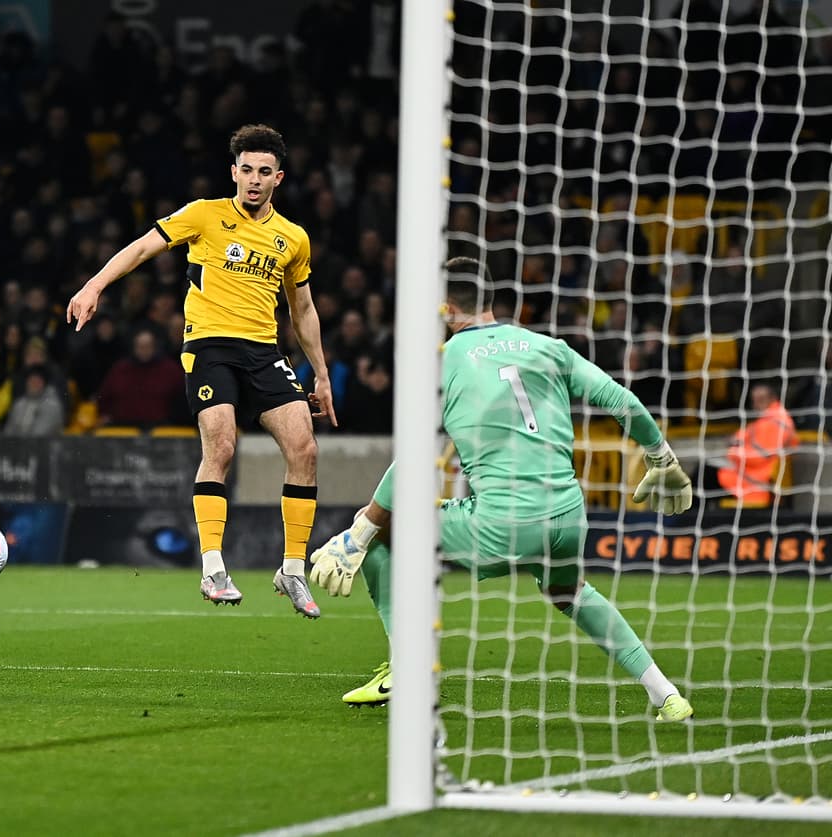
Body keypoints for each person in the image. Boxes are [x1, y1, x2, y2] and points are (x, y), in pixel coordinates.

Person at [308, 257, 695, 721]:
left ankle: (407, 668)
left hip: (502, 521)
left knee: (382, 538)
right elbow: (619, 399)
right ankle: (665, 693)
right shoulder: (547, 345)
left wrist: (361, 528)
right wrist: (659, 455)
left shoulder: (443, 360)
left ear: (444, 307)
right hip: (569, 515)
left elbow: (414, 457)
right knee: (570, 592)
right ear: (490, 300)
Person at [67, 124, 336, 616]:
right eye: (246, 170)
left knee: (305, 449)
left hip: (263, 350)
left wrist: (320, 374)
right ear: (234, 172)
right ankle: (213, 566)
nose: (254, 180)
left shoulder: (293, 238)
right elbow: (143, 247)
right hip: (209, 345)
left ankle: (292, 570)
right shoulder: (204, 215)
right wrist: (95, 285)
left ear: (279, 177)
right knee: (223, 444)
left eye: (264, 172)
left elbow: (303, 309)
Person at [714, 380, 798, 506]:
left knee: (705, 476)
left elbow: (759, 456)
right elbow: (744, 435)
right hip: (749, 473)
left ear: (772, 398)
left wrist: (733, 453)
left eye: (760, 399)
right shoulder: (767, 419)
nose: (756, 404)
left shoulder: (777, 421)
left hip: (758, 481)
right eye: (755, 400)